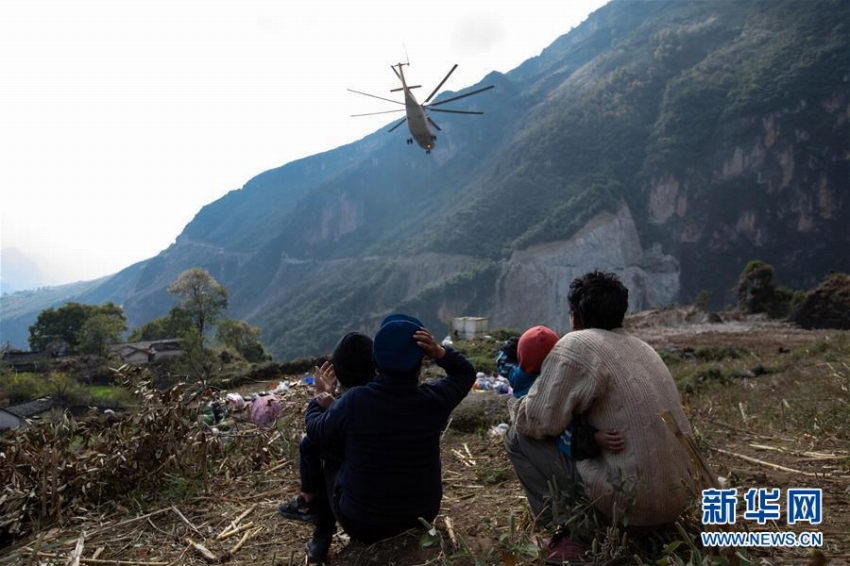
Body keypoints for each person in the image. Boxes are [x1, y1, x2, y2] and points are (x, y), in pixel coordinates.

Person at [505, 271, 696, 554]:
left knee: (517, 438)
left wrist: (512, 403)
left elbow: (534, 421)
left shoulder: (576, 345)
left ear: (575, 318)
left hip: (631, 508)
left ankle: (578, 534)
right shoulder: (645, 348)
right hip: (677, 499)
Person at [302, 314, 476, 563]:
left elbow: (315, 431)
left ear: (375, 361)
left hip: (362, 523)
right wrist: (441, 353)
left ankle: (321, 535)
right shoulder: (434, 400)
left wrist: (320, 398)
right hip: (422, 516)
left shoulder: (355, 401)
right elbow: (465, 375)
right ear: (421, 363)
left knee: (329, 452)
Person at [277, 331, 376, 559]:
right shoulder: (395, 395)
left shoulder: (349, 406)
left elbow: (313, 433)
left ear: (340, 373)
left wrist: (320, 397)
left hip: (365, 516)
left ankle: (314, 518)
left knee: (324, 452)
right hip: (416, 510)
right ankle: (318, 531)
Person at [505, 325, 624, 460]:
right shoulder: (550, 393)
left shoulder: (518, 374)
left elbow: (503, 363)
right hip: (543, 425)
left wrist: (508, 349)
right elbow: (563, 434)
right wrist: (595, 439)